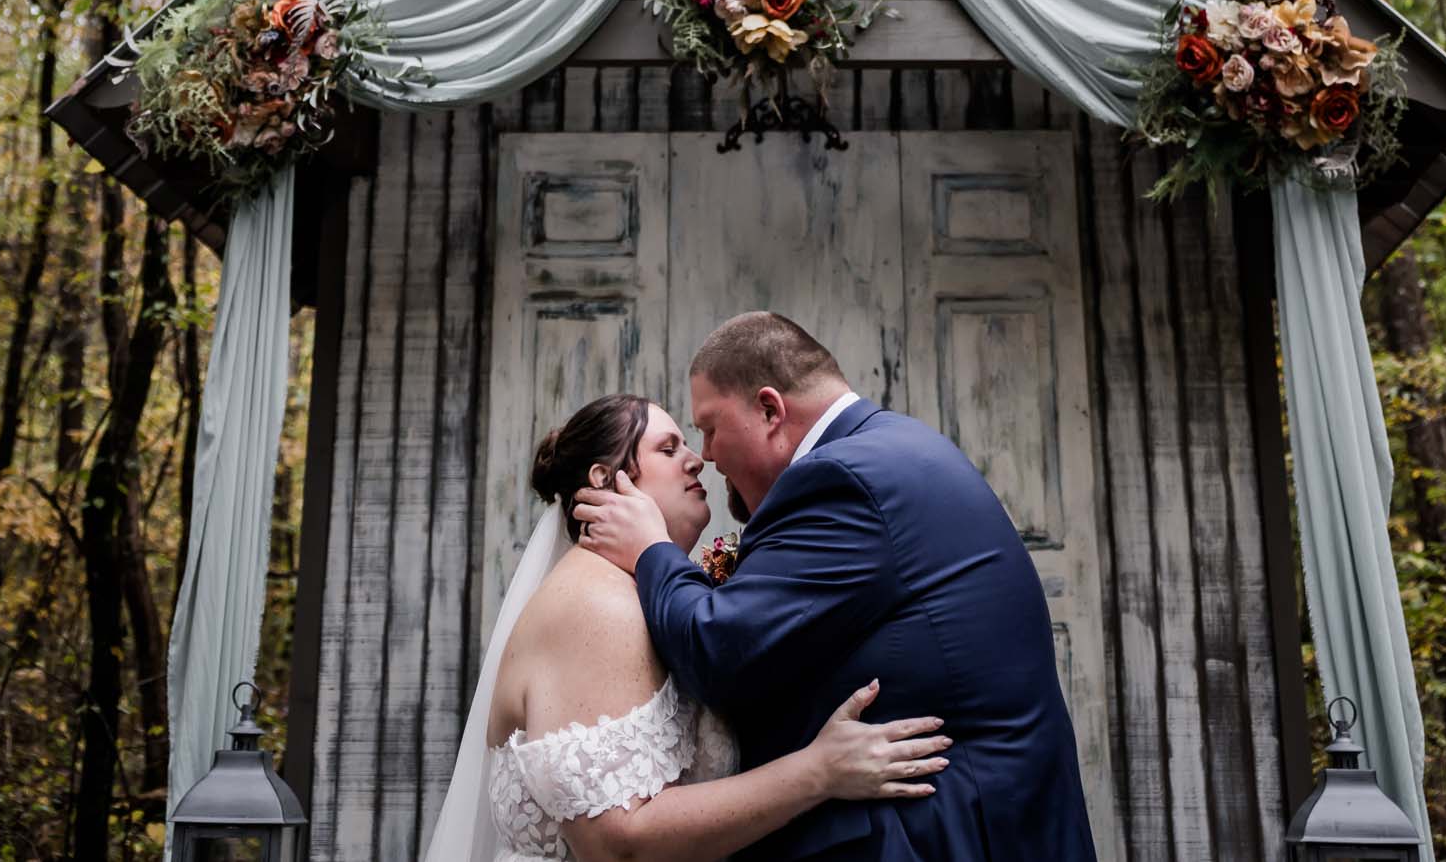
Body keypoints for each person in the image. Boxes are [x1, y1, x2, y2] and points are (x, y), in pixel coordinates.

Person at [575, 314, 1097, 862]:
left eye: (709, 426)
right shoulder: (890, 448)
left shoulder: (844, 479)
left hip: (952, 834)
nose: (705, 455)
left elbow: (717, 650)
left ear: (770, 410)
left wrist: (651, 549)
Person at [425, 390, 951, 862]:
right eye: (669, 448)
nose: (698, 459)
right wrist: (820, 771)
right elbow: (617, 843)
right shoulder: (594, 602)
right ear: (607, 481)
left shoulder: (647, 595)